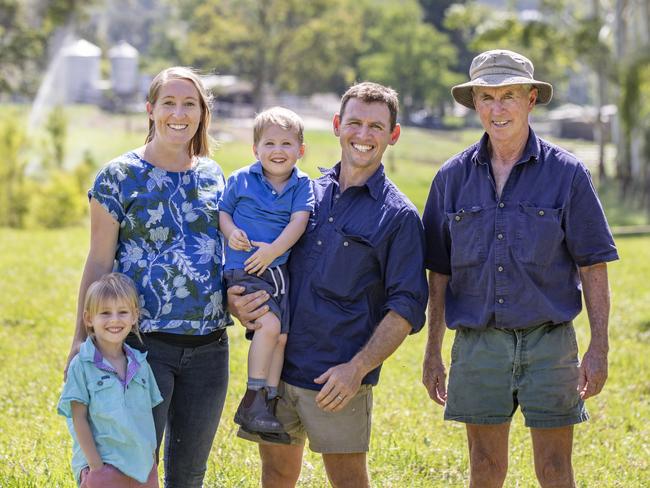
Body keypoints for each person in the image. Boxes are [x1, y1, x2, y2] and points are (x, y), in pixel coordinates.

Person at [421, 49, 619, 487]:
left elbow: (593, 266)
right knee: (485, 469)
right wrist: (432, 351)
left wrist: (599, 347)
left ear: (531, 99)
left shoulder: (568, 174)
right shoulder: (450, 179)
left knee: (554, 469)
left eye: (508, 94)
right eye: (486, 97)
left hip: (549, 344)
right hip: (477, 345)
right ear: (474, 103)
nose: (497, 108)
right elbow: (439, 275)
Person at [229, 82, 428, 487]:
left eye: (376, 126)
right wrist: (235, 301)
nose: (363, 135)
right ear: (337, 125)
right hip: (277, 372)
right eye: (354, 122)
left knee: (348, 480)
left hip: (337, 380)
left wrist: (357, 369)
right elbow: (256, 258)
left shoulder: (399, 217)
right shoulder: (302, 195)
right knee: (277, 473)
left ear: (393, 134)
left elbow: (406, 306)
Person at [64, 67, 231, 488]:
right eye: (169, 103)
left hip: (209, 348)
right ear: (150, 110)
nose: (179, 113)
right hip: (140, 347)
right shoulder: (118, 177)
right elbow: (99, 262)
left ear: (202, 112)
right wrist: (80, 340)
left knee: (189, 474)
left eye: (189, 103)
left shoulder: (214, 176)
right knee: (131, 467)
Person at [219, 106, 314, 437]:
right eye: (269, 144)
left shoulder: (303, 185)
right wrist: (231, 232)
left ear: (300, 151)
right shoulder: (241, 179)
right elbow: (223, 213)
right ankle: (252, 398)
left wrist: (274, 250)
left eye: (287, 144)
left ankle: (268, 403)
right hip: (244, 266)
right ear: (255, 149)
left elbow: (298, 222)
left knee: (282, 337)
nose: (278, 151)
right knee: (269, 326)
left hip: (276, 270)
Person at [58, 273, 162, 488]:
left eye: (122, 312)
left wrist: (151, 459)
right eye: (105, 313)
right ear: (89, 319)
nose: (114, 320)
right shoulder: (83, 364)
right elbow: (79, 419)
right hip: (104, 467)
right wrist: (96, 468)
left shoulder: (141, 364)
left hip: (143, 469)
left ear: (134, 316)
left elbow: (147, 416)